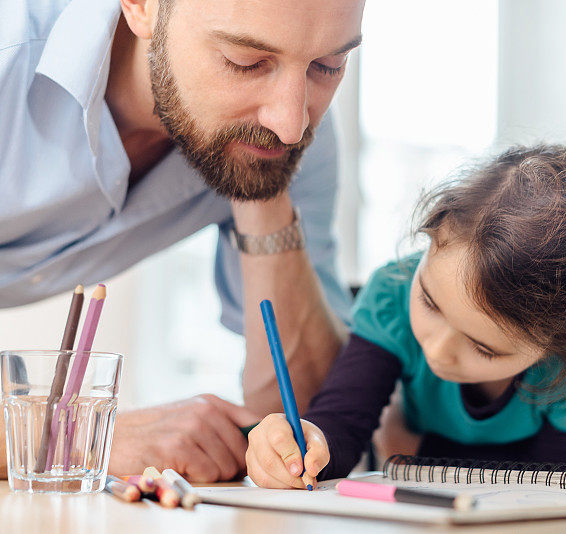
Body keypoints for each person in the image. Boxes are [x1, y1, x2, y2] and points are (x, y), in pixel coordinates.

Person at [0, 0, 364, 480]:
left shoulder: (291, 125)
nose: (292, 122)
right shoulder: (11, 54)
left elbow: (305, 427)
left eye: (329, 65)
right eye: (246, 62)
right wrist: (78, 439)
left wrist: (262, 175)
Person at [245, 144, 566, 489]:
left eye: (483, 347)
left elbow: (536, 488)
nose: (438, 350)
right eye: (429, 302)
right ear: (432, 234)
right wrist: (310, 441)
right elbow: (343, 423)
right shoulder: (393, 293)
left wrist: (407, 445)